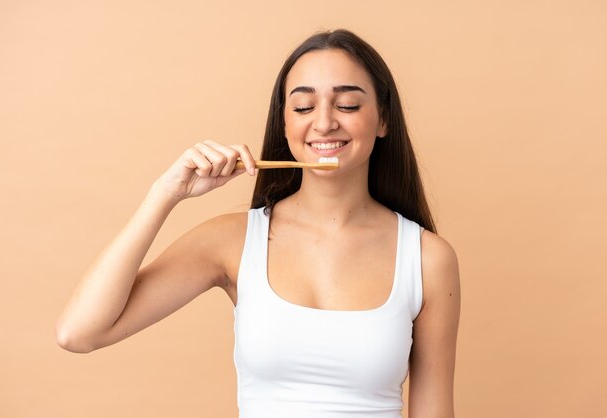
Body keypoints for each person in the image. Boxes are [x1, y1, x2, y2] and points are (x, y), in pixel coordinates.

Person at [56, 29, 461, 418]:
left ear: (383, 120)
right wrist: (165, 193)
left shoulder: (427, 258)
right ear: (284, 123)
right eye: (303, 107)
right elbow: (79, 332)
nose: (323, 123)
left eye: (348, 105)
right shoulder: (232, 240)